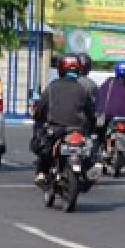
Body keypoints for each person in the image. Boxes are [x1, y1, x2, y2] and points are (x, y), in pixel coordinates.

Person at [32, 53, 96, 185]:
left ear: (60, 68)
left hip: (56, 128)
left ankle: (42, 173)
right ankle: (86, 173)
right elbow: (90, 112)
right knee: (89, 150)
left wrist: (37, 115)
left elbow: (40, 108)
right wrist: (91, 127)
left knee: (43, 146)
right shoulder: (82, 89)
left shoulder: (52, 87)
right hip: (78, 129)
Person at [96, 61, 125, 157]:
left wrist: (99, 112)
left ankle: (100, 150)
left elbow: (99, 99)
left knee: (100, 133)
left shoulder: (109, 83)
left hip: (108, 117)